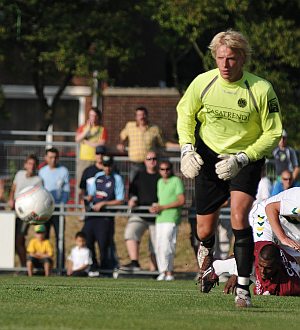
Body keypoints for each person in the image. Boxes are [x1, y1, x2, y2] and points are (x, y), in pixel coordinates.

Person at [176, 29, 282, 307]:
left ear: (243, 58)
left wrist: (243, 158)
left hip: (245, 158)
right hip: (209, 156)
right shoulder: (202, 83)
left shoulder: (261, 89)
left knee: (238, 216)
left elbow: (273, 133)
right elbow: (185, 114)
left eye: (231, 59)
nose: (225, 65)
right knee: (203, 229)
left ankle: (244, 290)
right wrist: (187, 148)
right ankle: (206, 251)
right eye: (220, 58)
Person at [204, 187, 300, 296]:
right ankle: (226, 269)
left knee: (293, 265)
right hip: (265, 217)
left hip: (289, 228)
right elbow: (271, 208)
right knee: (263, 253)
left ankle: (220, 266)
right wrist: (283, 238)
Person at [83, 155, 125, 272]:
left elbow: (120, 200)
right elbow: (92, 193)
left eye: (109, 166)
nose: (107, 168)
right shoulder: (97, 176)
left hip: (105, 216)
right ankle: (93, 265)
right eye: (105, 166)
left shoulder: (117, 179)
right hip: (92, 215)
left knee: (103, 244)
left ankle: (105, 269)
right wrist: (88, 198)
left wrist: (104, 204)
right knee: (87, 238)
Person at [121, 151, 160, 271]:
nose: (152, 161)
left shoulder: (161, 176)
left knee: (155, 244)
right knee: (130, 232)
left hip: (158, 216)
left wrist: (160, 205)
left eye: (154, 158)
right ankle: (134, 262)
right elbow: (133, 192)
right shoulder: (139, 175)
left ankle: (155, 270)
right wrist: (132, 199)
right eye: (149, 159)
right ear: (145, 161)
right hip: (141, 213)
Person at [117, 106, 178, 182]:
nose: (141, 117)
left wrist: (180, 146)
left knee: (150, 186)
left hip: (150, 165)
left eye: (143, 115)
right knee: (133, 187)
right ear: (136, 117)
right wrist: (121, 143)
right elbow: (122, 136)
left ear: (147, 115)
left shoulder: (154, 128)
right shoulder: (130, 126)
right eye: (139, 115)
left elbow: (163, 143)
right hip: (135, 164)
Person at [150, 160, 185, 281]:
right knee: (159, 246)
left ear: (171, 169)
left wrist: (162, 207)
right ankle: (163, 271)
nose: (165, 172)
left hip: (171, 218)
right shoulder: (159, 182)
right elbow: (161, 201)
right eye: (162, 169)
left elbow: (181, 200)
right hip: (160, 218)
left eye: (167, 169)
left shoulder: (176, 181)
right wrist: (156, 207)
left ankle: (169, 272)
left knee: (167, 245)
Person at [8, 154, 42, 267]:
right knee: (11, 240)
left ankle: (24, 267)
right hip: (14, 212)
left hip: (25, 215)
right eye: (29, 163)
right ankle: (21, 266)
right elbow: (13, 188)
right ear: (25, 165)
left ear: (36, 166)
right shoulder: (19, 174)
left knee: (19, 240)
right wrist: (11, 199)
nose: (31, 166)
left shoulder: (38, 180)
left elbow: (39, 198)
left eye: (34, 164)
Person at [38, 147, 70, 270]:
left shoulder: (63, 171)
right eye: (50, 157)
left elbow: (66, 192)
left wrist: (62, 205)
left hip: (58, 210)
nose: (53, 160)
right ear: (46, 158)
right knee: (43, 238)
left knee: (60, 238)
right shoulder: (42, 172)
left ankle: (60, 268)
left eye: (55, 157)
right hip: (45, 210)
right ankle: (43, 267)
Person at [75, 107, 108, 185]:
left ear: (98, 117)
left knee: (94, 182)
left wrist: (87, 142)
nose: (92, 118)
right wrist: (87, 130)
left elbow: (101, 143)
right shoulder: (83, 128)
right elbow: (77, 139)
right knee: (81, 182)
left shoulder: (102, 129)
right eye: (91, 115)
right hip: (83, 159)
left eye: (94, 116)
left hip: (96, 160)